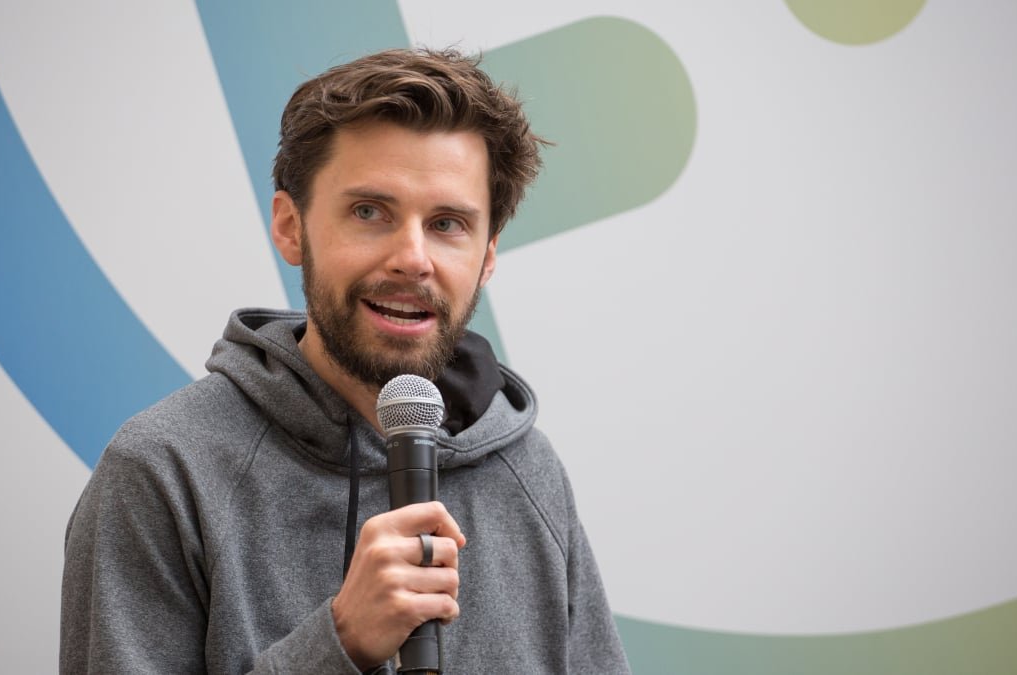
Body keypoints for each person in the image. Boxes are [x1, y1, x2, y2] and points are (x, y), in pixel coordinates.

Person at [60, 47, 629, 674]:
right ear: (290, 227)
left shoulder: (529, 471)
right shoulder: (163, 472)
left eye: (447, 224)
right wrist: (340, 644)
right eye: (369, 212)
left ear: (487, 257)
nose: (412, 259)